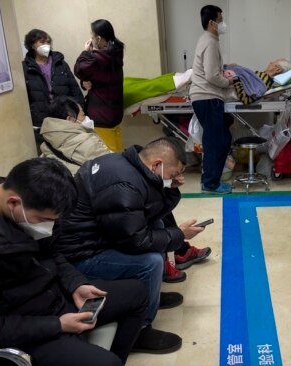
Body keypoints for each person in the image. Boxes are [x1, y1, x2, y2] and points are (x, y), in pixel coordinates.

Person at [0, 158, 160, 365]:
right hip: (21, 330)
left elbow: (52, 253)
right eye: (44, 220)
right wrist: (58, 325)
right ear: (13, 202)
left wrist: (76, 284)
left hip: (50, 299)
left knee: (137, 293)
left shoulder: (16, 199)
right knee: (105, 363)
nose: (48, 227)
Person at [55, 137, 211, 354]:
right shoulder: (123, 184)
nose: (177, 178)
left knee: (157, 225)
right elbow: (137, 241)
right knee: (151, 262)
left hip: (100, 236)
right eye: (173, 174)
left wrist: (169, 187)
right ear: (157, 164)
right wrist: (179, 235)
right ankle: (140, 329)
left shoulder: (129, 164)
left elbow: (150, 214)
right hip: (81, 255)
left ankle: (151, 294)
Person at [190, 5, 236, 194]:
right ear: (212, 23)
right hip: (207, 97)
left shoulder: (207, 40)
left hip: (205, 97)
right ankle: (210, 184)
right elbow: (211, 75)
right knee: (216, 142)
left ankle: (210, 181)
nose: (222, 24)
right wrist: (229, 81)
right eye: (220, 20)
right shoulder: (210, 42)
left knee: (221, 139)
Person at [22, 29, 84, 153]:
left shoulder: (60, 63)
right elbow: (25, 98)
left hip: (64, 118)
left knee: (69, 151)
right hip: (42, 121)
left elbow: (74, 88)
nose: (47, 45)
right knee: (49, 154)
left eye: (48, 42)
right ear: (32, 45)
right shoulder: (25, 68)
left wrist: (80, 110)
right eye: (42, 42)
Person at [74, 19, 125, 152]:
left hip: (102, 115)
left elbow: (79, 70)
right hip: (114, 113)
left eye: (92, 35)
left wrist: (86, 52)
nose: (91, 38)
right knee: (117, 149)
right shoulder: (116, 53)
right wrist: (85, 83)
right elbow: (97, 78)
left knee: (108, 155)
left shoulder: (98, 58)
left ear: (98, 38)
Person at [40, 96, 113, 174]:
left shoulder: (46, 144)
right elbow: (112, 165)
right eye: (83, 115)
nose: (86, 117)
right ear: (70, 119)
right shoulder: (89, 142)